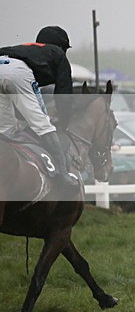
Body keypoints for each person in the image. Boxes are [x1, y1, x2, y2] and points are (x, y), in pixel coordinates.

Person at [0, 26, 80, 190]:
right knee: (43, 125)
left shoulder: (25, 49)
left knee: (6, 130)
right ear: (62, 47)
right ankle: (63, 174)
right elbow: (64, 92)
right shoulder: (57, 54)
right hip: (17, 72)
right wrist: (64, 120)